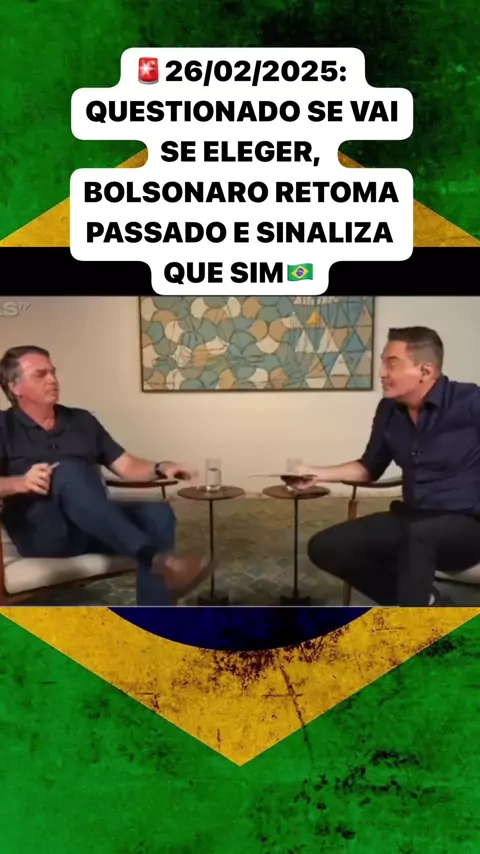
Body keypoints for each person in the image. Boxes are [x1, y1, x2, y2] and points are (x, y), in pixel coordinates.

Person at [0, 345, 213, 605]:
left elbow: (125, 465)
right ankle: (156, 559)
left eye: (53, 372)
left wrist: (161, 467)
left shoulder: (81, 420)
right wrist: (21, 482)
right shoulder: (4, 426)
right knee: (67, 471)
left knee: (157, 513)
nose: (52, 379)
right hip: (45, 534)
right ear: (15, 387)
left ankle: (154, 612)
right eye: (40, 374)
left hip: (95, 526)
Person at [294, 326, 480, 606]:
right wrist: (318, 473)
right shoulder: (389, 409)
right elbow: (369, 467)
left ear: (425, 371)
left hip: (467, 525)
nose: (381, 372)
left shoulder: (470, 402)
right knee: (325, 547)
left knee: (420, 537)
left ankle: (418, 627)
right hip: (413, 517)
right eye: (382, 363)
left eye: (391, 364)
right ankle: (431, 603)